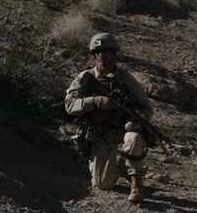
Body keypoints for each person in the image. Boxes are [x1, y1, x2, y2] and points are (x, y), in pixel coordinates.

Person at [65, 33, 153, 203]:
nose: (101, 55)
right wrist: (95, 101)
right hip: (98, 133)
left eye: (105, 51)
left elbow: (146, 107)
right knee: (102, 184)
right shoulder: (85, 78)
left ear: (114, 53)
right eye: (97, 52)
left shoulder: (126, 79)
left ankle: (136, 184)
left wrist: (137, 120)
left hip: (121, 129)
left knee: (134, 138)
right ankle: (120, 165)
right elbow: (69, 105)